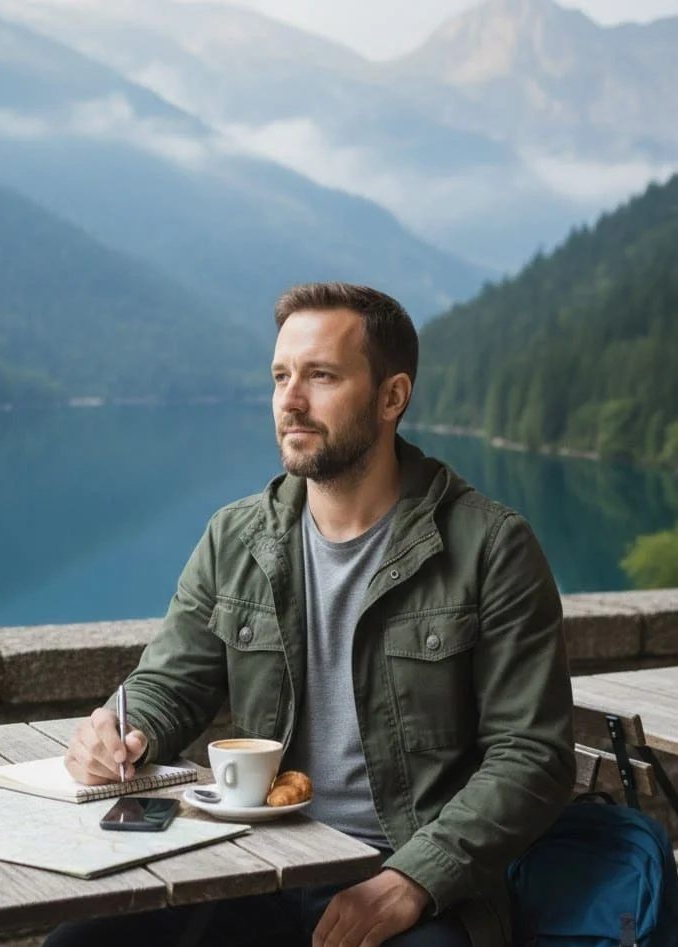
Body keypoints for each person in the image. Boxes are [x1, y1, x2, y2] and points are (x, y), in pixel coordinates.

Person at [47, 282, 575, 947]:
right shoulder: (234, 536)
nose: (290, 401)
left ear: (391, 397)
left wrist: (411, 879)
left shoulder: (491, 547)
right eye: (280, 376)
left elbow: (532, 753)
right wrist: (125, 731)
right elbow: (171, 679)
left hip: (414, 883)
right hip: (250, 864)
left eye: (320, 376)